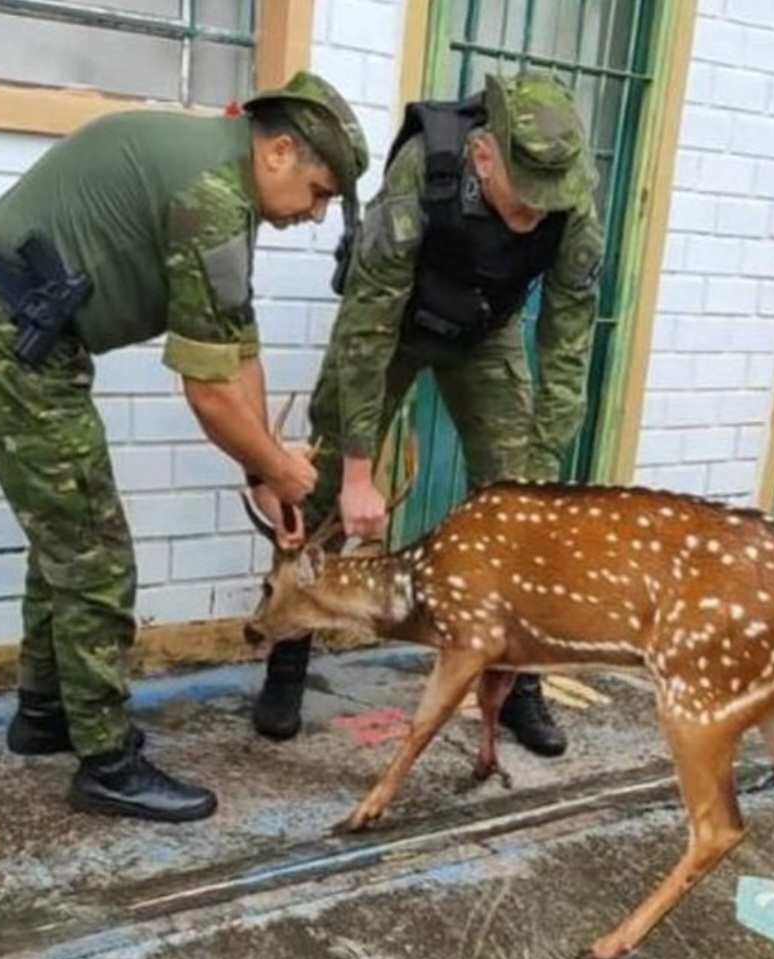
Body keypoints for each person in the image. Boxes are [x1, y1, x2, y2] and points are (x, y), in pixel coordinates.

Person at [0, 72, 368, 822]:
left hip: (27, 333)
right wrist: (288, 472)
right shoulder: (212, 196)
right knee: (93, 549)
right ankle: (107, 764)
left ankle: (46, 713)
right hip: (6, 336)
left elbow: (235, 350)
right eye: (319, 192)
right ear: (279, 151)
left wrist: (263, 470)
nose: (316, 215)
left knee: (63, 531)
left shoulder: (224, 182)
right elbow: (207, 394)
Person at [252, 71, 603, 758]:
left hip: (483, 331)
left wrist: (541, 472)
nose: (533, 216)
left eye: (545, 204)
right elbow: (365, 323)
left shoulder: (572, 206)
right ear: (482, 158)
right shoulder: (425, 172)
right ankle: (287, 657)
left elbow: (568, 345)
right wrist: (357, 471)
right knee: (316, 488)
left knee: (519, 503)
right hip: (395, 322)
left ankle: (515, 679)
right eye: (521, 200)